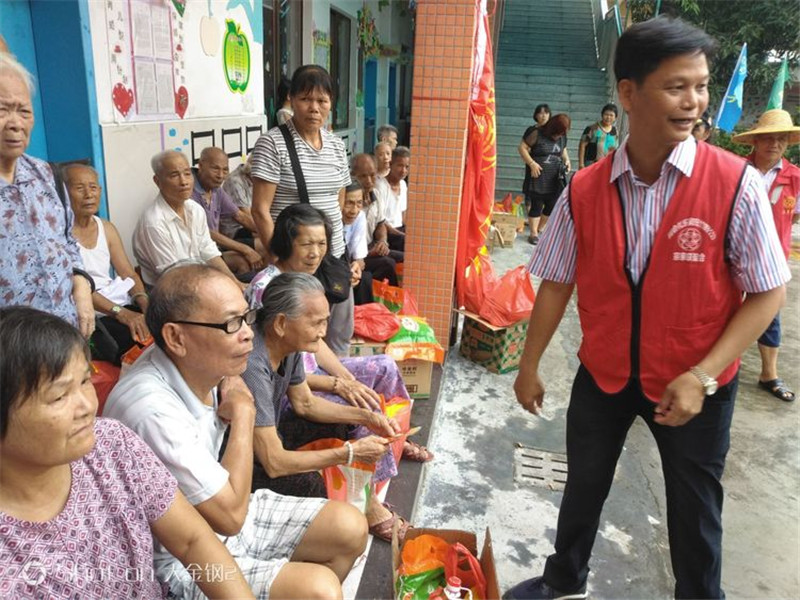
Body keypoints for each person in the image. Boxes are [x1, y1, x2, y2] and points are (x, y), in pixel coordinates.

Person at [505, 18, 789, 600]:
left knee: (695, 511)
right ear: (628, 93)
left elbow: (767, 293)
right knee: (583, 485)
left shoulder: (734, 184)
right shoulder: (585, 189)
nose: (694, 102)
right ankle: (563, 580)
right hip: (604, 373)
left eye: (701, 87)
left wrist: (703, 375)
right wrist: (528, 365)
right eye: (676, 87)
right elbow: (556, 283)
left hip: (693, 384)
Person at [104, 263, 367, 599]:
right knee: (319, 589)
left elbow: (303, 401)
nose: (247, 334)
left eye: (246, 318)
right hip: (176, 561)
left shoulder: (203, 359)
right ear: (175, 337)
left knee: (350, 527)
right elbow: (229, 518)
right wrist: (244, 413)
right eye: (231, 323)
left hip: (216, 513)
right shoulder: (151, 411)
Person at [0, 306, 254, 599]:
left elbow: (192, 540)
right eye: (58, 396)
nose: (87, 406)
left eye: (85, 381)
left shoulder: (111, 444)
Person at [243, 272, 416, 542]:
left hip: (271, 435)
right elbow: (273, 462)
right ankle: (327, 539)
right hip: (244, 464)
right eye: (317, 323)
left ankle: (367, 504)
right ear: (280, 323)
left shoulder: (288, 345)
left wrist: (367, 417)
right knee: (309, 483)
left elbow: (305, 403)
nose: (323, 332)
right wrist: (349, 453)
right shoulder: (253, 365)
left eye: (325, 321)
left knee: (346, 423)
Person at [250, 64, 354, 356]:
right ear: (292, 100)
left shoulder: (336, 145)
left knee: (338, 331)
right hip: (294, 259)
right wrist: (278, 258)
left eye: (322, 100)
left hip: (333, 255)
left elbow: (339, 198)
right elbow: (260, 210)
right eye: (306, 99)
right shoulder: (273, 143)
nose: (314, 108)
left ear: (331, 104)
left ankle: (341, 377)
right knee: (300, 339)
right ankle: (305, 385)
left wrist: (342, 252)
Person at [0, 52, 94, 338]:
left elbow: (67, 240)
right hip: (11, 350)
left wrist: (82, 287)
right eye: (2, 110)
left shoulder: (46, 173)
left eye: (24, 111)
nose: (16, 123)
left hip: (64, 331)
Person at [732, 109, 800, 403]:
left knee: (769, 313)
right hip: (732, 255)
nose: (775, 144)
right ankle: (716, 367)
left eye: (781, 139)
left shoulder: (795, 177)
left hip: (772, 260)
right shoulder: (735, 170)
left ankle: (768, 374)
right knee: (722, 308)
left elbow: (794, 216)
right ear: (756, 142)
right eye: (768, 138)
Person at [65, 163, 150, 364]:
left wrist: (145, 303)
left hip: (117, 304)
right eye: (79, 188)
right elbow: (78, 289)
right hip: (88, 311)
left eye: (93, 187)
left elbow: (128, 273)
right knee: (130, 346)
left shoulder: (106, 228)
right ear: (64, 193)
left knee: (161, 328)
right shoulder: (60, 234)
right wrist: (122, 313)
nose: (89, 194)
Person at [132, 150, 244, 289]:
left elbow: (208, 251)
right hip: (170, 291)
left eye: (187, 174)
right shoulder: (154, 222)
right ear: (157, 181)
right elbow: (174, 276)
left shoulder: (194, 209)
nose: (184, 182)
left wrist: (235, 283)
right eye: (174, 175)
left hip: (198, 280)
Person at [191, 146, 264, 275]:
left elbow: (240, 216)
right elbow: (207, 233)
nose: (220, 175)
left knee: (268, 244)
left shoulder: (216, 190)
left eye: (225, 170)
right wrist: (245, 249)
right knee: (243, 261)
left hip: (215, 248)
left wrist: (267, 233)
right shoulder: (188, 191)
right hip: (198, 255)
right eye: (215, 169)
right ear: (200, 166)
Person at [519, 113, 571, 245]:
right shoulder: (537, 133)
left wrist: (567, 160)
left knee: (551, 205)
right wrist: (531, 163)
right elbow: (522, 148)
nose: (559, 135)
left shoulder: (562, 136)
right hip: (538, 176)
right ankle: (533, 233)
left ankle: (540, 229)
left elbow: (564, 149)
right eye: (557, 132)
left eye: (562, 133)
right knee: (537, 204)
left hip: (555, 177)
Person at [352, 153, 402, 287]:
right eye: (363, 176)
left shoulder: (376, 194)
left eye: (372, 175)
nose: (369, 181)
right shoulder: (350, 202)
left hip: (372, 247)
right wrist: (369, 252)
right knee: (388, 264)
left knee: (404, 258)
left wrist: (382, 242)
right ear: (352, 175)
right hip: (356, 257)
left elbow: (381, 224)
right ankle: (391, 298)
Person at [341, 180, 373, 304]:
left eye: (359, 203)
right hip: (330, 266)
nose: (354, 210)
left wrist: (356, 268)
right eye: (349, 203)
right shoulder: (331, 219)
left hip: (346, 264)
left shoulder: (360, 216)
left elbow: (360, 259)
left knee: (364, 278)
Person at [518, 103, 551, 215]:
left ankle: (539, 218)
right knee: (530, 190)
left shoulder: (552, 131)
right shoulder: (532, 130)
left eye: (546, 113)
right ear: (536, 115)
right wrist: (531, 162)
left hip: (548, 168)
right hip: (533, 164)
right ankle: (530, 215)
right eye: (540, 113)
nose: (544, 115)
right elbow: (523, 148)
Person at [378, 145, 410, 253]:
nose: (403, 170)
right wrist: (402, 234)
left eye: (407, 167)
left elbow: (403, 215)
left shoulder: (403, 185)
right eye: (400, 165)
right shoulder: (381, 186)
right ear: (391, 164)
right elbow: (381, 222)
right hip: (387, 233)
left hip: (400, 230)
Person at [220, 154, 254, 238]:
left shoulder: (254, 179)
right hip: (235, 230)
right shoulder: (235, 181)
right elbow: (246, 218)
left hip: (251, 225)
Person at [578, 103, 618, 169]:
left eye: (611, 115)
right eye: (606, 114)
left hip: (607, 166)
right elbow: (582, 145)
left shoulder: (615, 131)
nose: (608, 117)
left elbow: (615, 149)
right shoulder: (592, 128)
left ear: (615, 117)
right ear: (602, 115)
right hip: (591, 165)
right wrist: (581, 164)